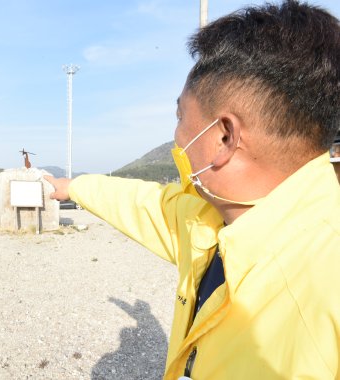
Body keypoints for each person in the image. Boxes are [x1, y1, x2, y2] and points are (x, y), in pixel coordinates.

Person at [46, 1, 340, 379]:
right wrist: (73, 186)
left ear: (223, 136)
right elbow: (143, 204)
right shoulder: (212, 217)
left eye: (181, 116)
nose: (177, 136)